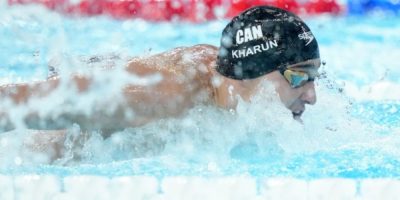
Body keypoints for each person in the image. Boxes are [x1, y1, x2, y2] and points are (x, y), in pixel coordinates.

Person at [0, 6, 321, 162]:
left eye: (315, 77)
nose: (313, 95)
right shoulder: (167, 94)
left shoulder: (241, 90)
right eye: (299, 76)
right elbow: (17, 103)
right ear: (251, 71)